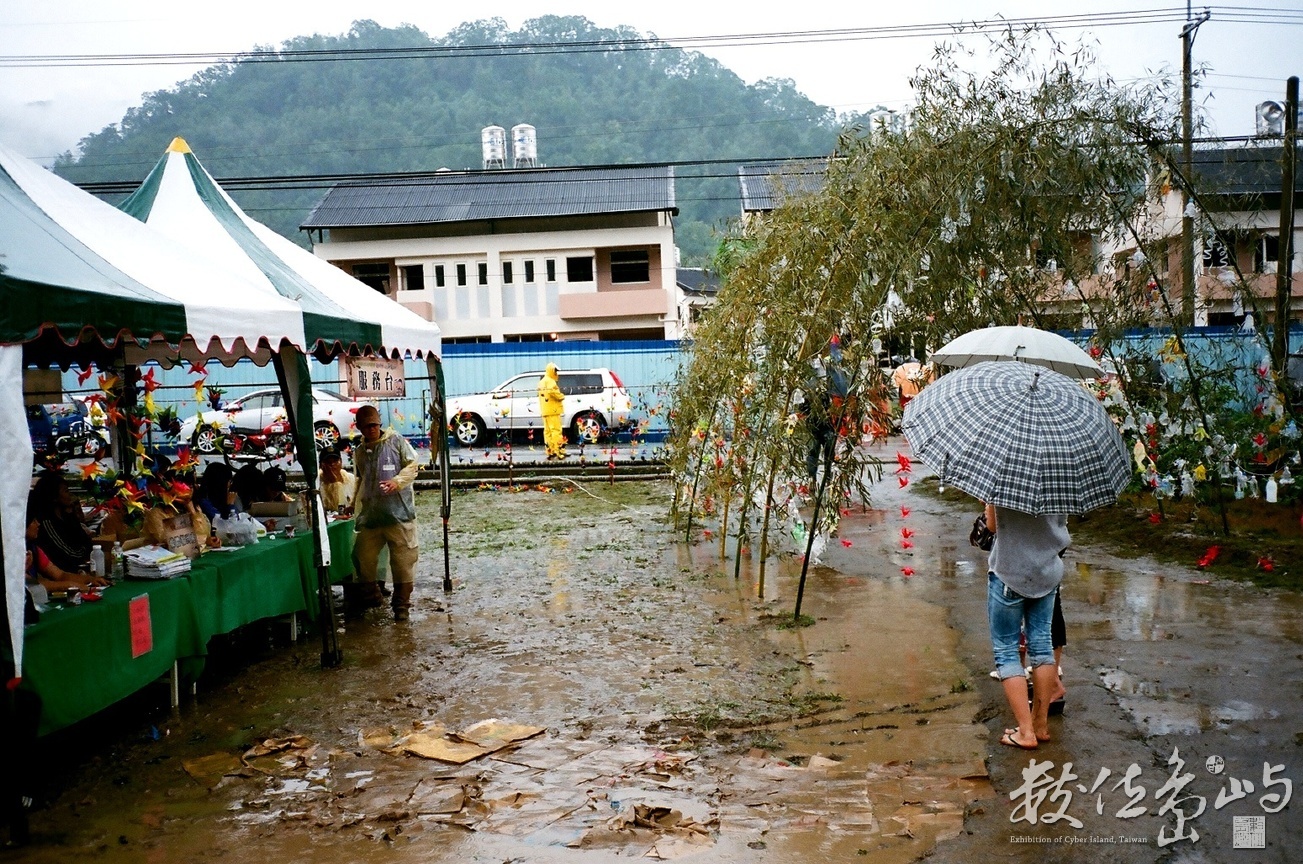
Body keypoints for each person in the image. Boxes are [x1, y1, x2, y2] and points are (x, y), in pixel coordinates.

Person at [985, 502, 1070, 750]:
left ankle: (1025, 731)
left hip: (1010, 574)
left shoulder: (1005, 483)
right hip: (1047, 573)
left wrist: (989, 505)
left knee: (1006, 650)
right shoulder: (1061, 484)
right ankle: (1039, 725)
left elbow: (992, 526)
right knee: (1042, 646)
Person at [352, 405, 420, 621]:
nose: (371, 429)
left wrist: (396, 482)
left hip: (398, 514)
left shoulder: (396, 441)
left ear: (380, 424)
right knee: (362, 556)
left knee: (403, 561)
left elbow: (413, 466)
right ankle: (372, 594)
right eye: (366, 426)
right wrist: (353, 503)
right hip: (371, 516)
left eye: (374, 425)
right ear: (360, 428)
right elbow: (360, 480)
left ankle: (401, 605)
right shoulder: (360, 451)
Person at [30, 472, 94, 574]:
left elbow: (85, 539)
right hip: (64, 572)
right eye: (66, 491)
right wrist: (85, 550)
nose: (69, 495)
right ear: (54, 496)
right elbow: (69, 554)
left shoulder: (67, 516)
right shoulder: (47, 522)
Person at [537, 363, 566, 459]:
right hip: (553, 410)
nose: (556, 373)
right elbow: (552, 391)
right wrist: (561, 396)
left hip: (545, 410)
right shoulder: (550, 381)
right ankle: (559, 450)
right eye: (555, 371)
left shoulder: (542, 381)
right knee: (556, 431)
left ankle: (550, 451)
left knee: (547, 432)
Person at [318, 449, 357, 514]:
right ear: (321, 465)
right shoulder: (318, 482)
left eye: (335, 461)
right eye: (328, 462)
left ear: (341, 462)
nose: (332, 464)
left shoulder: (351, 478)